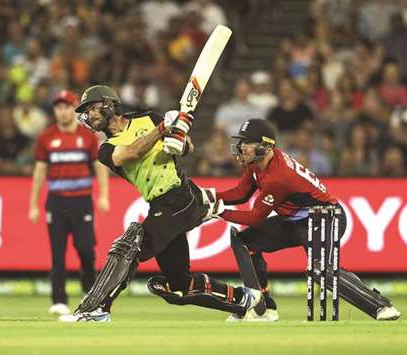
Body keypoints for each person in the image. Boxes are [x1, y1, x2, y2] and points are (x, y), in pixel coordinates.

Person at [59, 85, 263, 322]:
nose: (88, 116)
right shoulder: (105, 149)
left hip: (180, 196)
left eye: (91, 109)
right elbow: (131, 153)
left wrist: (179, 142)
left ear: (108, 104)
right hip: (161, 205)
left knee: (130, 244)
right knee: (179, 286)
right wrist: (163, 129)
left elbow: (188, 147)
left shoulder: (148, 118)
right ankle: (243, 300)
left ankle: (96, 309)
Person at [213, 118, 401, 322]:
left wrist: (218, 211)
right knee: (244, 241)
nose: (242, 147)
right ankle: (262, 308)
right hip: (296, 221)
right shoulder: (257, 163)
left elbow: (255, 217)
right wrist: (210, 196)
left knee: (320, 270)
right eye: (242, 142)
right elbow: (241, 193)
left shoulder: (279, 176)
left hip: (326, 217)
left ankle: (381, 307)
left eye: (247, 143)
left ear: (265, 146)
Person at [28, 90, 111, 316]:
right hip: (56, 202)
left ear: (74, 109)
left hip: (82, 201)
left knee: (86, 250)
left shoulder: (87, 138)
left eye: (66, 107)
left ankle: (88, 291)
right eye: (58, 107)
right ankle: (59, 299)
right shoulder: (46, 138)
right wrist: (33, 204)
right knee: (57, 252)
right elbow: (40, 171)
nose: (62, 111)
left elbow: (98, 166)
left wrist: (104, 194)